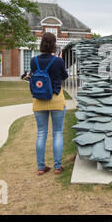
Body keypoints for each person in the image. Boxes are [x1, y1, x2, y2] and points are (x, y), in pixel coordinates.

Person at [31, 32, 68, 176]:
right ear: (54, 44)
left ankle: (41, 167)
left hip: (39, 100)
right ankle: (57, 167)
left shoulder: (34, 60)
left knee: (41, 134)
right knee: (57, 133)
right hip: (56, 99)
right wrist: (60, 61)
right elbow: (64, 77)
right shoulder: (58, 61)